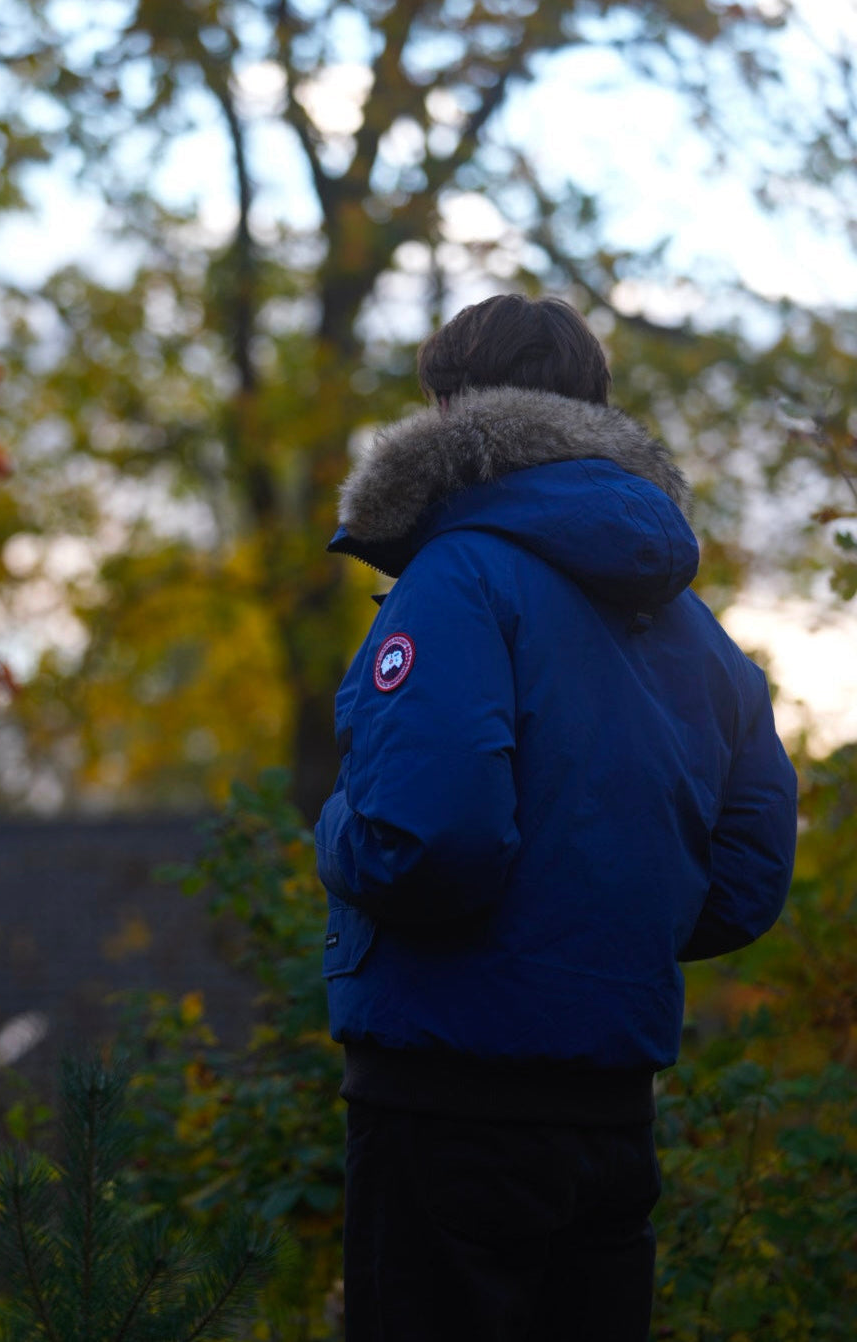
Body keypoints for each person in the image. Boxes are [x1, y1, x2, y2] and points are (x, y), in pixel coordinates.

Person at [313, 294, 798, 1342]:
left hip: (448, 1104)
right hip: (614, 1115)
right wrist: (602, 931)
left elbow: (426, 843)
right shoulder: (699, 635)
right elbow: (749, 875)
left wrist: (333, 829)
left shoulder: (457, 578)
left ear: (450, 411)